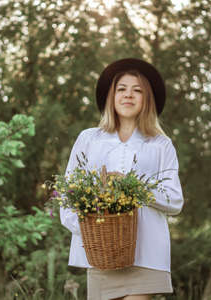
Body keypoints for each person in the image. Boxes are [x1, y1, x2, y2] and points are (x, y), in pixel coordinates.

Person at [60, 58, 184, 300]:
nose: (129, 95)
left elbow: (175, 201)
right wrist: (89, 231)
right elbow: (67, 196)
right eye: (122, 89)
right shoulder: (89, 139)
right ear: (111, 96)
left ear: (147, 99)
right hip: (100, 256)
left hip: (147, 254)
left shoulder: (160, 144)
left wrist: (136, 188)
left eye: (137, 90)